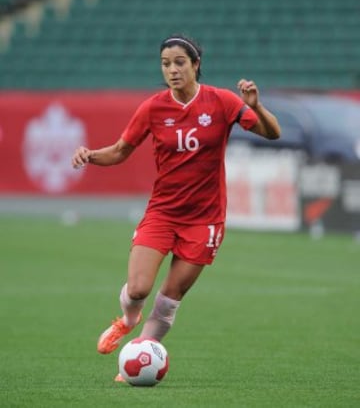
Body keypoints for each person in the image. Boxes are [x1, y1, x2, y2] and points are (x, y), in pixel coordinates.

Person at [71, 34, 281, 382]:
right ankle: (126, 321)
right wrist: (91, 155)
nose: (172, 70)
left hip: (205, 220)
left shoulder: (223, 102)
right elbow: (122, 150)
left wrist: (256, 106)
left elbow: (273, 133)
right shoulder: (153, 108)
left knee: (169, 298)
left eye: (179, 62)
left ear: (195, 64)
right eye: (166, 64)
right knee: (138, 289)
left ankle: (137, 356)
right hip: (163, 212)